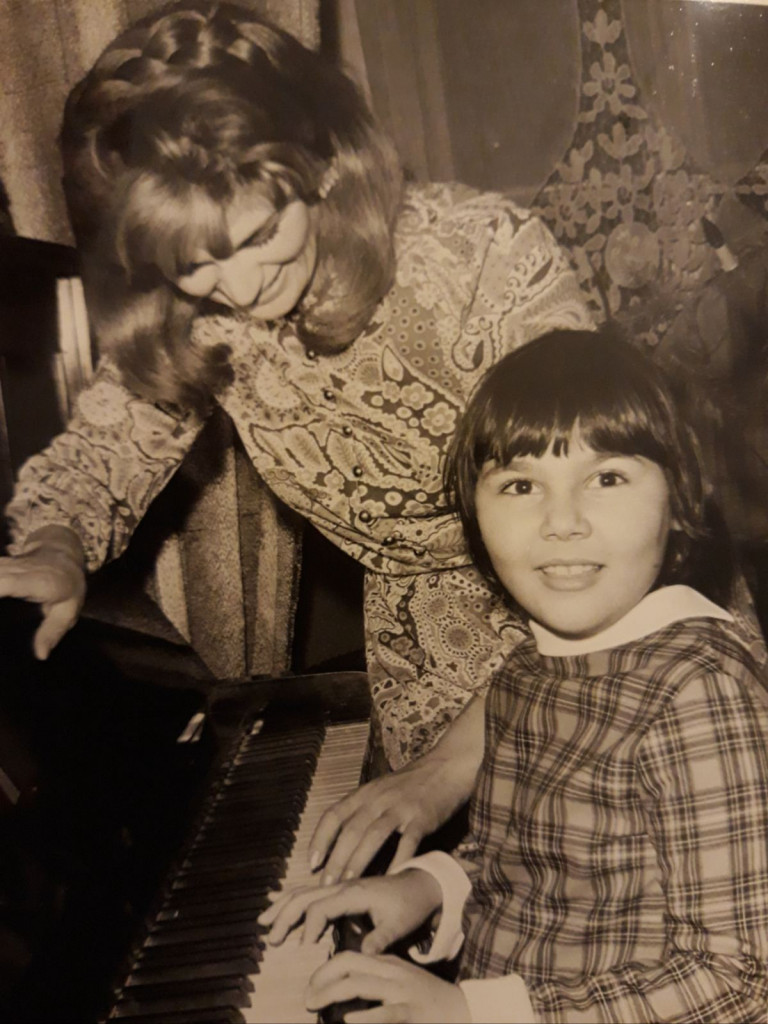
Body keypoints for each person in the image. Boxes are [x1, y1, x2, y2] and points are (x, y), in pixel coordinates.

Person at [0, 0, 591, 832]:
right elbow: (104, 451)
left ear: (323, 162)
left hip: (600, 638)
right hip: (428, 657)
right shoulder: (202, 315)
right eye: (195, 263)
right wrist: (56, 545)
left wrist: (445, 773)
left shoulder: (484, 259)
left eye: (260, 235)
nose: (240, 290)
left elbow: (605, 532)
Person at [261, 329, 768, 1023]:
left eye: (607, 478)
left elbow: (742, 981)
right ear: (475, 517)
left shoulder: (700, 692)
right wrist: (427, 887)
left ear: (680, 500)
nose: (562, 522)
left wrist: (471, 1012)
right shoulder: (526, 670)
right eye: (521, 485)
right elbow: (528, 862)